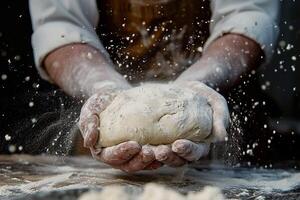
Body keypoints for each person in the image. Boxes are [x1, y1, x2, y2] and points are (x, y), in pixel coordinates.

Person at [29, 0, 279, 172]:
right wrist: (102, 87)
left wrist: (200, 83)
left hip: (222, 128)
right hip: (104, 153)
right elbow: (59, 25)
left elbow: (249, 15)